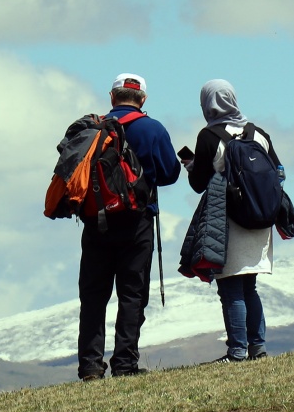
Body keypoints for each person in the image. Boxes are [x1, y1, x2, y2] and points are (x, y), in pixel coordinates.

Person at [76, 73, 182, 381]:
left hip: (96, 222)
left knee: (93, 295)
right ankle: (124, 364)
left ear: (112, 97)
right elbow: (170, 173)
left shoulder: (93, 129)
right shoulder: (152, 129)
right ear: (143, 99)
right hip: (137, 222)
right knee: (132, 294)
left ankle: (90, 366)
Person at [183, 79, 277, 363]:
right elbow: (278, 171)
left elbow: (198, 183)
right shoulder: (258, 133)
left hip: (227, 220)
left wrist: (191, 166)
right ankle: (257, 348)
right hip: (260, 218)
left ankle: (237, 351)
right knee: (250, 287)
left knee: (231, 287)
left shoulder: (208, 137)